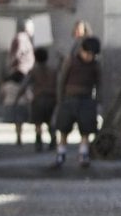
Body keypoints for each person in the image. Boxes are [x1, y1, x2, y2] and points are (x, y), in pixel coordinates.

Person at [51, 36, 101, 170]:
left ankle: (83, 154)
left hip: (86, 99)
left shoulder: (95, 66)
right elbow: (62, 81)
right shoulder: (71, 61)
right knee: (64, 128)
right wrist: (60, 100)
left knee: (86, 129)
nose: (89, 57)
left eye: (92, 55)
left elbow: (99, 83)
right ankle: (61, 154)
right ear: (81, 50)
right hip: (69, 99)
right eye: (87, 53)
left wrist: (96, 100)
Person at [24, 47, 58, 155]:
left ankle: (39, 142)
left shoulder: (34, 71)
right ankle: (53, 140)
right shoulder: (53, 71)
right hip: (51, 98)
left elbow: (25, 84)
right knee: (50, 122)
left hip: (38, 99)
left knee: (38, 123)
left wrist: (18, 97)